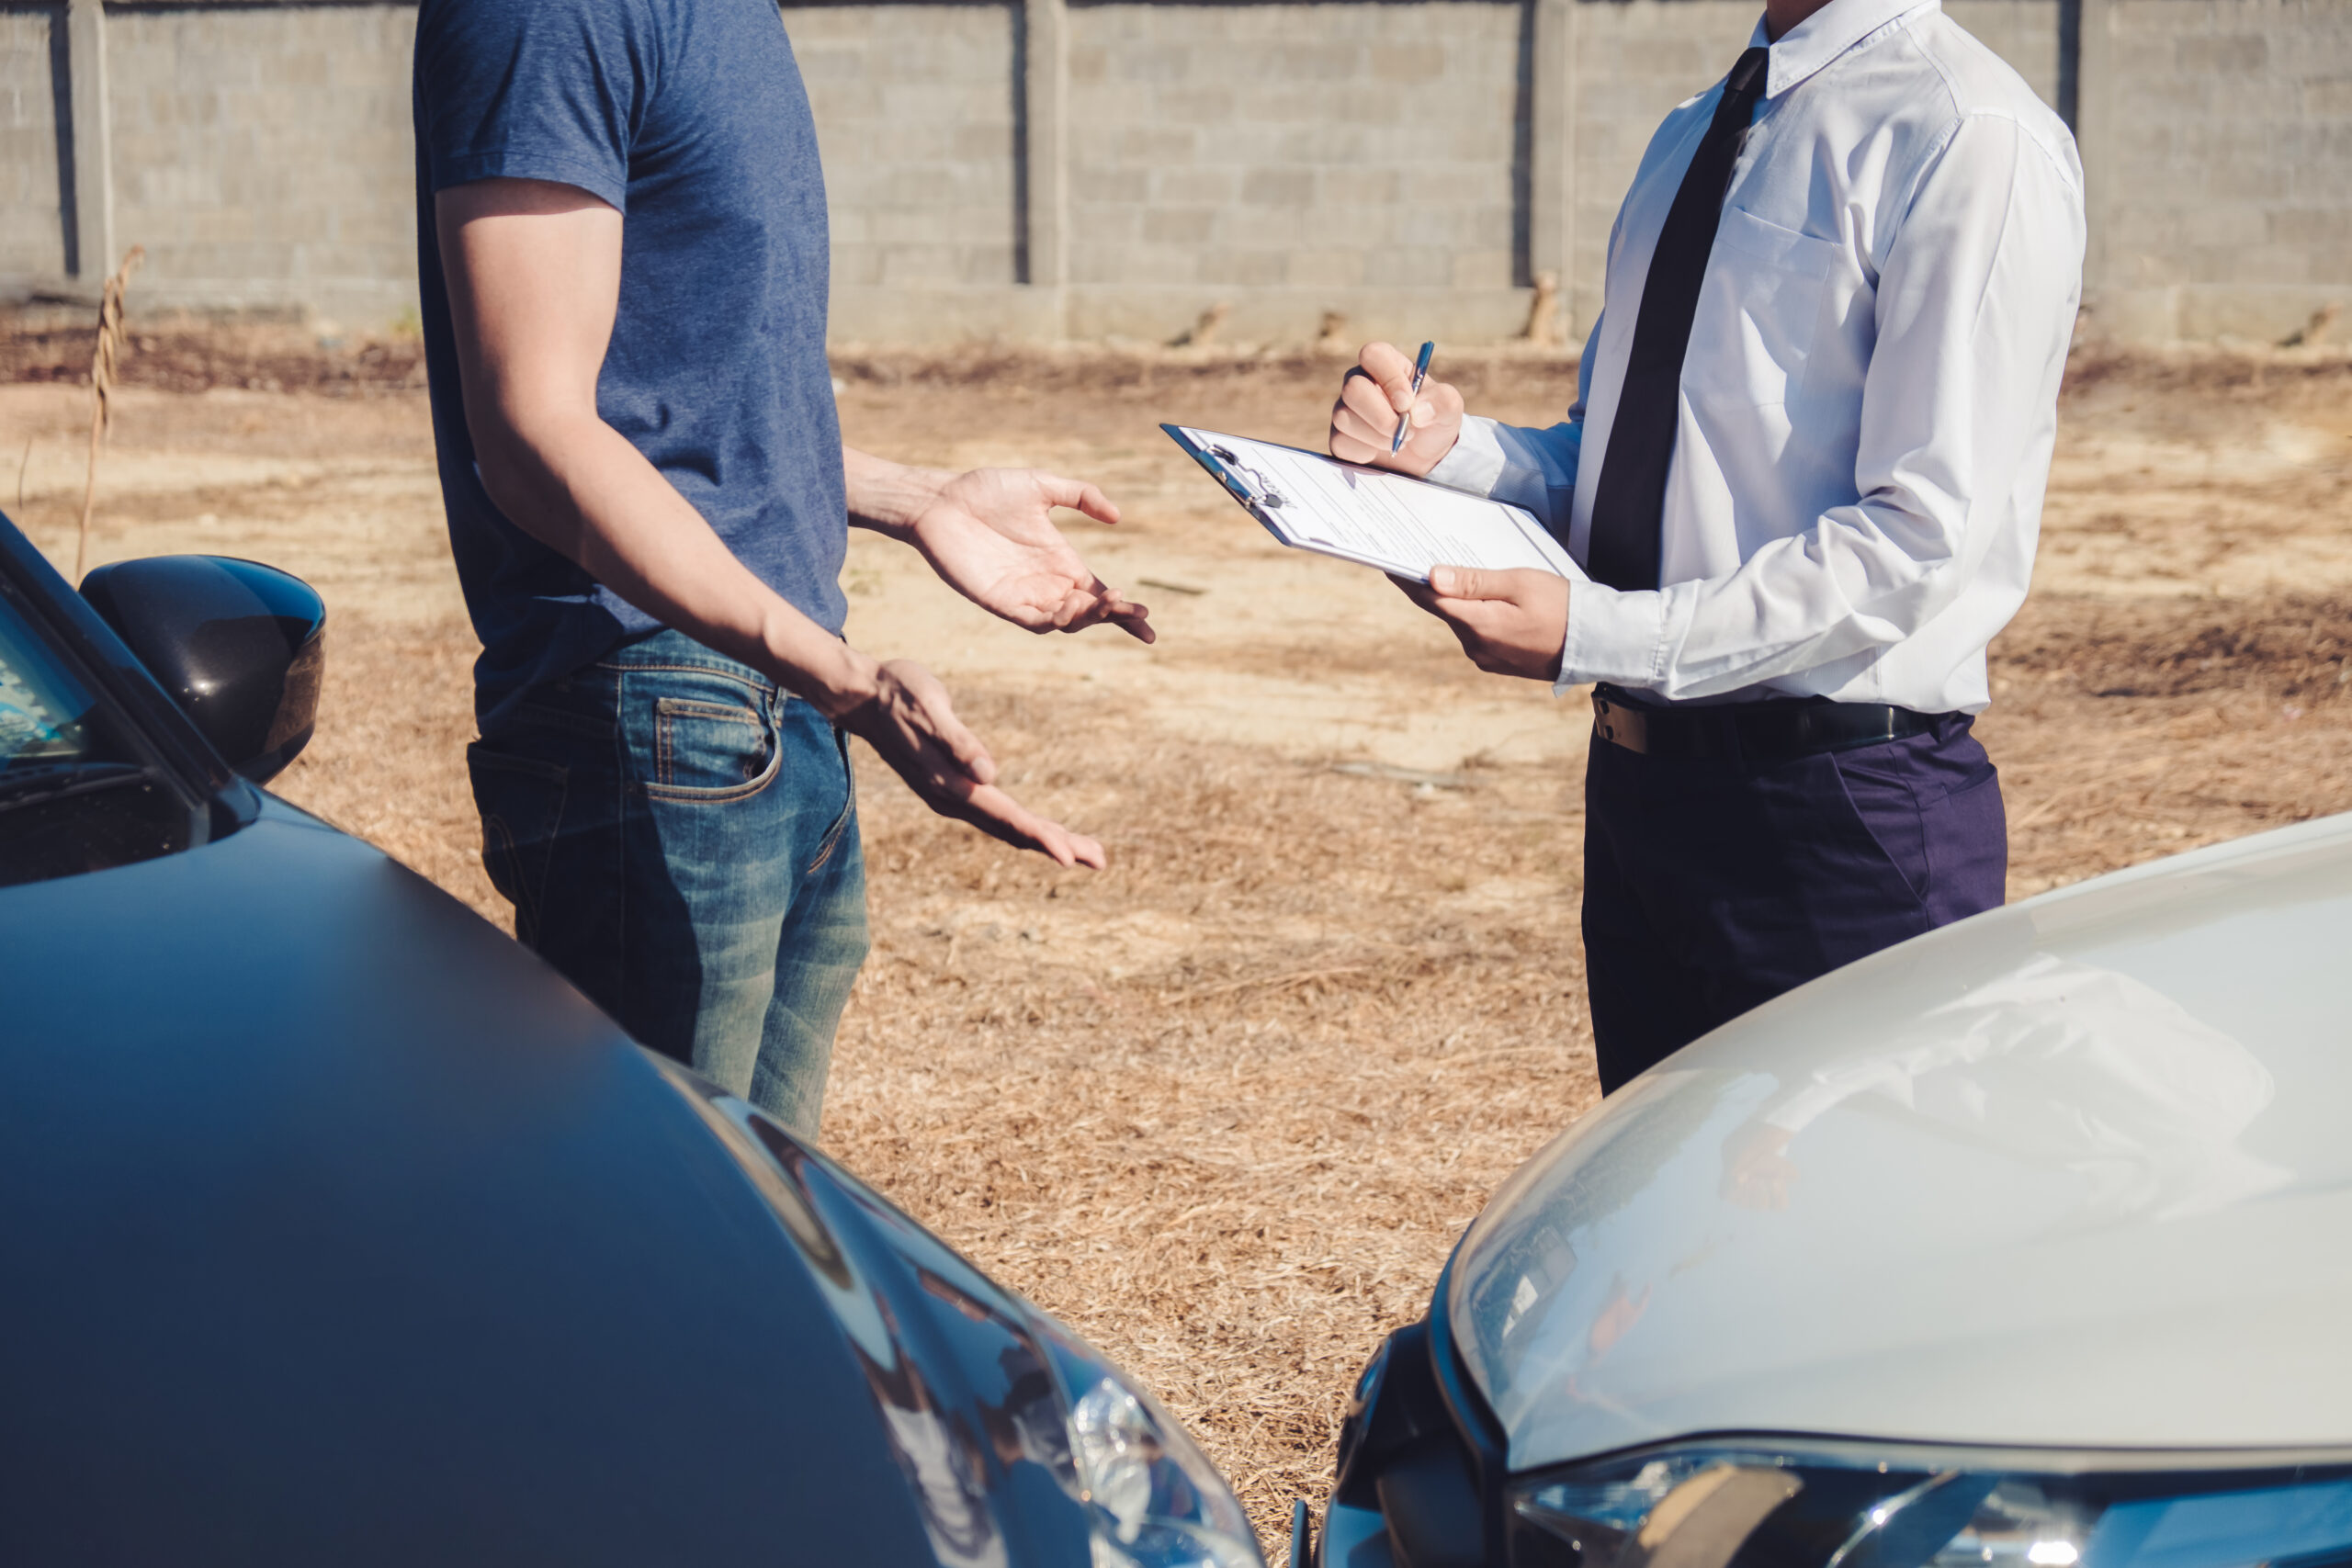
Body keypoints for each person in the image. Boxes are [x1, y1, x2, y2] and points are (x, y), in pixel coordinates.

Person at [413, 0, 1151, 1137]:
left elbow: (681, 412)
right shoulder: (554, 14)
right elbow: (533, 433)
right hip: (651, 709)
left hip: (774, 703)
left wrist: (916, 500)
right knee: (656, 1218)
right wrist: (841, 679)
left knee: (764, 1219)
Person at [1329, 0, 2084, 1092]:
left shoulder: (1967, 134)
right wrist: (1449, 454)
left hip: (1837, 819)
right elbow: (1628, 460)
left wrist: (1598, 632)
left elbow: (1917, 539)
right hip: (1641, 796)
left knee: (1859, 1200)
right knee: (1663, 1202)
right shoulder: (1695, 129)